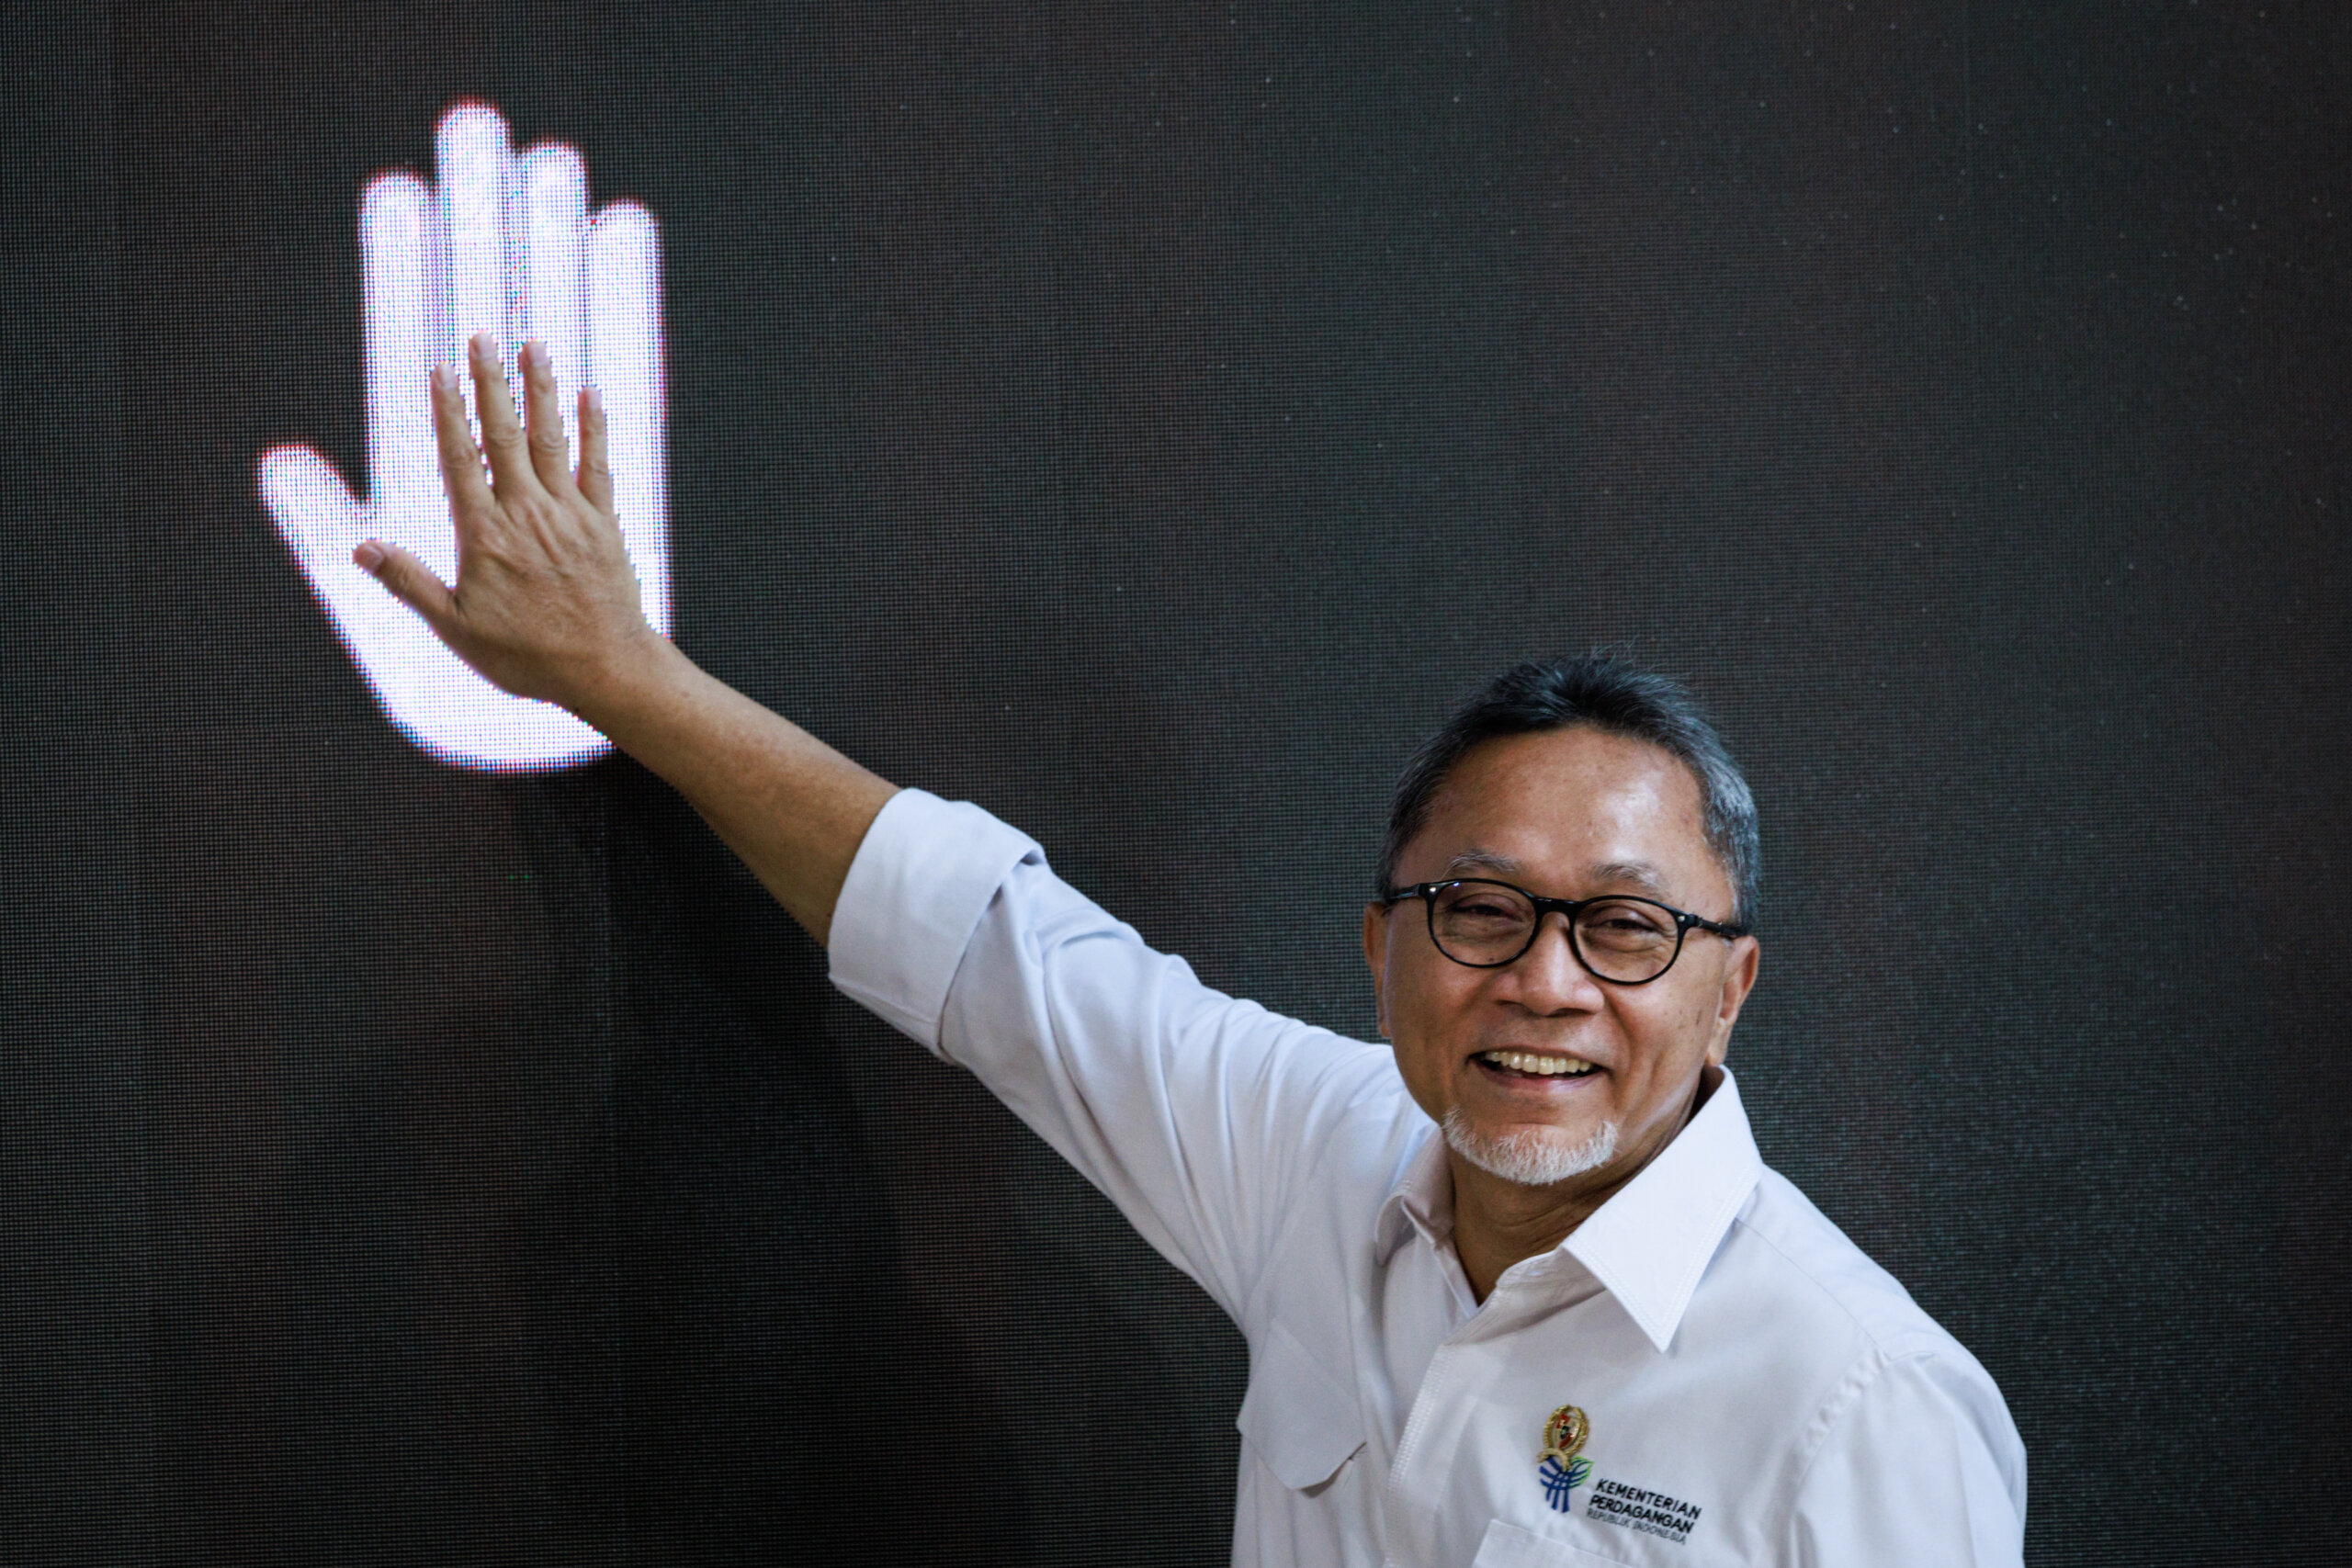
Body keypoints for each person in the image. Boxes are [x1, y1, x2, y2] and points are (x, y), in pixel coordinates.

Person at [356, 333, 2028, 1566]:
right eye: (1482, 908)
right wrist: (621, 678)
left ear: (1731, 986)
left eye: (1628, 926)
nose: (1545, 980)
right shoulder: (1326, 1154)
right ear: (1382, 948)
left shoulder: (1857, 1402)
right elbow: (993, 950)